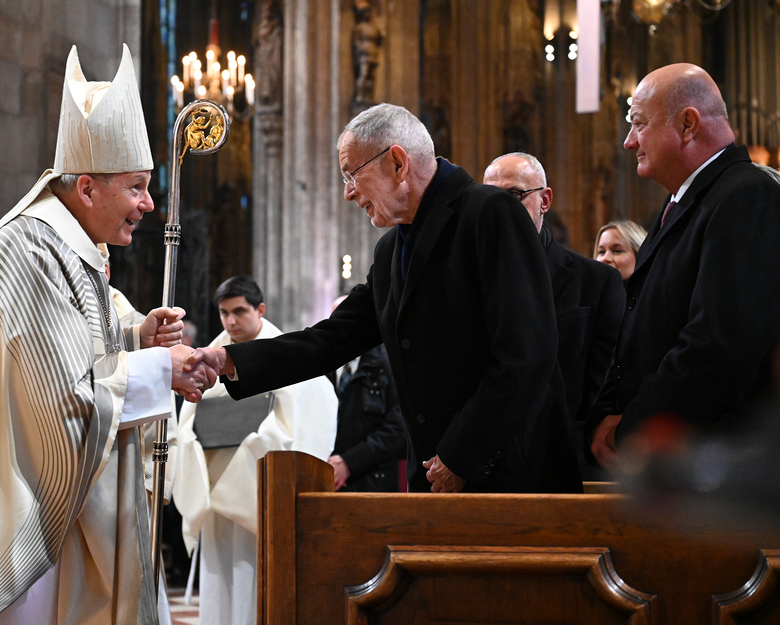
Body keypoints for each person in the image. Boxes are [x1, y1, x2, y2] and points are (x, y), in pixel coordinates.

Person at [0, 44, 213, 625]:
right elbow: (62, 401)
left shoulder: (67, 247)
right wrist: (159, 369)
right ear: (87, 189)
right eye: (137, 187)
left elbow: (79, 343)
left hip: (53, 510)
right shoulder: (29, 252)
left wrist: (136, 336)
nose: (149, 204)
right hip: (18, 518)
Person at [186, 103, 579, 495]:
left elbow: (528, 354)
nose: (347, 192)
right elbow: (332, 338)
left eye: (351, 174)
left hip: (509, 476)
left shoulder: (491, 214)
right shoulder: (391, 250)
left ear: (397, 163)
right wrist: (230, 360)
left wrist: (462, 455)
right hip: (435, 477)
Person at [587, 63, 780, 468]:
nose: (628, 142)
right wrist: (607, 412)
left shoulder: (746, 195)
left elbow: (720, 344)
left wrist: (634, 427)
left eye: (638, 123)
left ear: (688, 125)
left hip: (718, 460)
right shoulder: (683, 202)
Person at [172, 275, 336, 625]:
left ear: (260, 309)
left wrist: (250, 452)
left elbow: (305, 417)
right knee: (219, 579)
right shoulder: (208, 356)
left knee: (257, 579)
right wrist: (195, 450)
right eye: (224, 313)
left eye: (239, 312)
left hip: (258, 487)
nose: (231, 321)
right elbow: (185, 423)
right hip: (214, 486)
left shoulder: (285, 352)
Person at [483, 154, 625, 479]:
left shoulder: (595, 281)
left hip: (561, 464)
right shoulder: (467, 277)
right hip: (484, 465)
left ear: (544, 200)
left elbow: (604, 384)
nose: (500, 208)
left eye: (514, 195)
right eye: (490, 197)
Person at [326, 295, 406, 492]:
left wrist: (349, 462)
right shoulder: (321, 368)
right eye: (334, 319)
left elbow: (399, 427)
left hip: (373, 484)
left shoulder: (389, 364)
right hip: (326, 478)